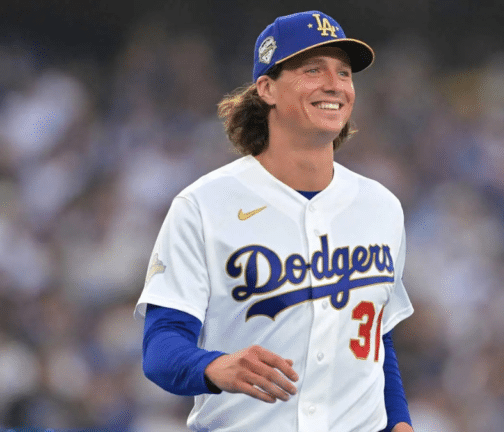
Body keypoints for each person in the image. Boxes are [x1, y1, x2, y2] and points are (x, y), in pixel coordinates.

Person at [134, 10, 415, 432]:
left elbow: (378, 340)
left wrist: (400, 423)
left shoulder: (382, 206)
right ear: (266, 87)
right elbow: (161, 346)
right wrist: (214, 365)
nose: (334, 84)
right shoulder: (204, 205)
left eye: (343, 72)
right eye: (312, 70)